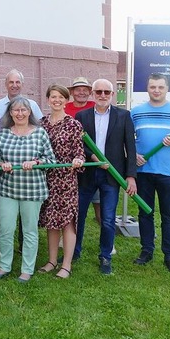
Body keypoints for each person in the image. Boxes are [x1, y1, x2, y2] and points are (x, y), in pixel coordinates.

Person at [131, 73, 170, 273]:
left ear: (166, 89)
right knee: (145, 213)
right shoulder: (136, 112)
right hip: (144, 171)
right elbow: (126, 138)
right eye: (152, 87)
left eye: (160, 87)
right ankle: (146, 251)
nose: (156, 90)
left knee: (169, 216)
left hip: (169, 173)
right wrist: (133, 154)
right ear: (147, 89)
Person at [0, 96, 55, 283]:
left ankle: (27, 269)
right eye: (16, 110)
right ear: (10, 113)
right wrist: (3, 164)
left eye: (23, 110)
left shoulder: (40, 133)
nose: (20, 113)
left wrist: (35, 162)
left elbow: (50, 160)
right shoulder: (3, 134)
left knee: (29, 231)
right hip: (8, 189)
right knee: (5, 229)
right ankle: (4, 265)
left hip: (32, 190)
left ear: (29, 112)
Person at [74, 78, 137, 275]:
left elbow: (130, 148)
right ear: (93, 94)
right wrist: (92, 156)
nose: (102, 95)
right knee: (79, 216)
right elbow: (78, 145)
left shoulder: (124, 116)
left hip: (112, 175)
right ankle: (74, 251)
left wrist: (131, 176)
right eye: (98, 92)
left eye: (106, 92)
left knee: (108, 218)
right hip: (88, 173)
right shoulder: (82, 116)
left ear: (112, 95)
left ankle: (105, 256)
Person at [0, 69, 42, 256]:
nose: (14, 85)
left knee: (27, 216)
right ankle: (0, 244)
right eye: (11, 82)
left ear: (22, 84)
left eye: (17, 82)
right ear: (6, 84)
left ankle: (22, 245)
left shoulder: (33, 105)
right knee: (3, 212)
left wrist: (36, 159)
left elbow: (39, 129)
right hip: (6, 165)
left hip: (29, 172)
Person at [38, 85, 84, 279]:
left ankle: (66, 265)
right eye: (53, 97)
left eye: (60, 97)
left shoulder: (74, 124)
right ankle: (51, 261)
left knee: (67, 222)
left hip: (66, 180)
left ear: (66, 100)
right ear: (48, 99)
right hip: (46, 179)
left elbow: (80, 151)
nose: (56, 100)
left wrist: (78, 160)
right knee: (51, 221)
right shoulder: (41, 124)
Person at [65, 77, 106, 253]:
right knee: (72, 207)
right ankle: (69, 241)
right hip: (72, 166)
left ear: (90, 92)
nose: (81, 92)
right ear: (72, 92)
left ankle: (106, 242)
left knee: (100, 206)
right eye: (77, 89)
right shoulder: (65, 109)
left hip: (95, 164)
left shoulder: (95, 107)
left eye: (85, 89)